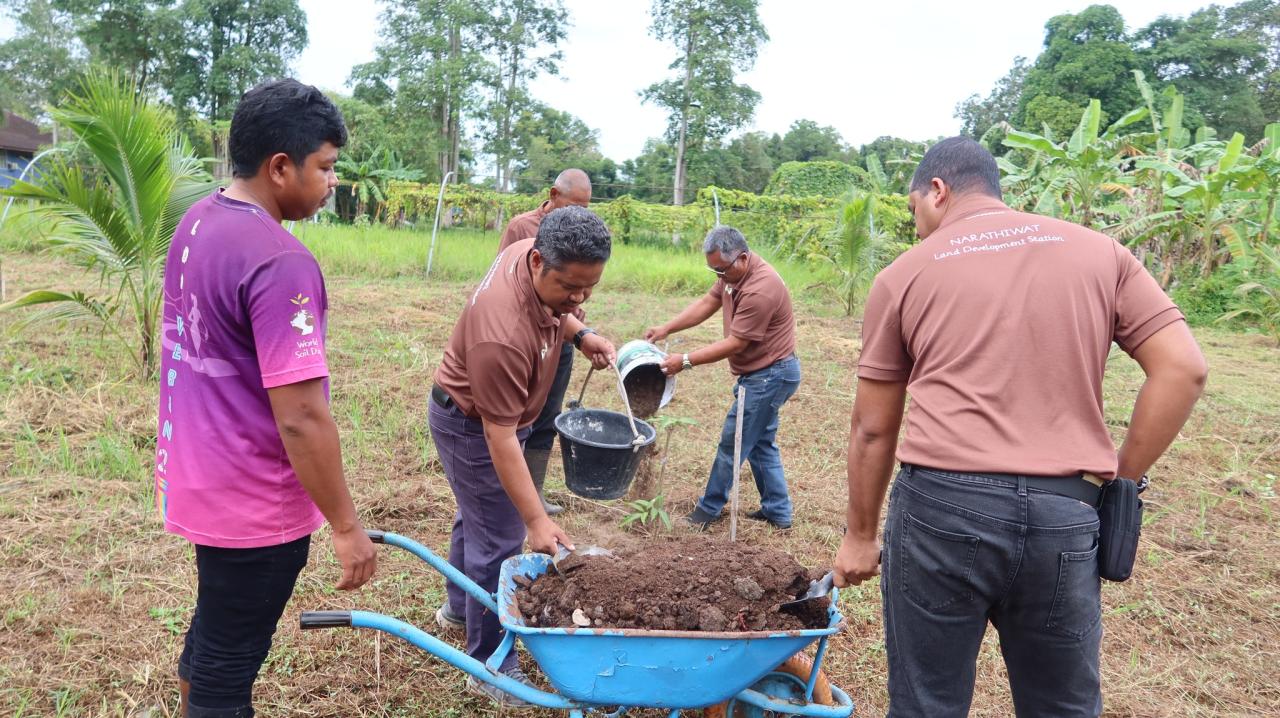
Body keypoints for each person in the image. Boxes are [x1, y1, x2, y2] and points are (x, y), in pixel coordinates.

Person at [833, 137, 1208, 716]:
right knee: (1062, 705)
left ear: (938, 190)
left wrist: (860, 536)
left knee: (926, 703)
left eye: (914, 212)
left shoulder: (903, 275)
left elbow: (873, 428)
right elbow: (1183, 370)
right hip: (1066, 513)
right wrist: (1122, 482)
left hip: (940, 512)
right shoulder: (1101, 253)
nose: (915, 229)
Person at [155, 79, 377, 718]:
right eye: (326, 167)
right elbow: (303, 416)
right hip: (253, 501)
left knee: (215, 630)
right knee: (230, 663)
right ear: (281, 167)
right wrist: (346, 525)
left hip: (200, 477)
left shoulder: (200, 219)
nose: (332, 181)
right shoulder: (281, 261)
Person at [430, 206, 617, 706]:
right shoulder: (502, 334)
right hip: (473, 426)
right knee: (499, 540)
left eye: (588, 288)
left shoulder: (528, 252)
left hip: (489, 416)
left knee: (477, 520)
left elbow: (562, 309)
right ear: (538, 262)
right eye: (570, 288)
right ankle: (491, 666)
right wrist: (535, 518)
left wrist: (580, 332)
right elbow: (501, 436)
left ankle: (456, 610)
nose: (579, 298)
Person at [644, 226, 800, 530]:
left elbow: (735, 344)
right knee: (760, 443)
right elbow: (707, 303)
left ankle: (709, 509)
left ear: (742, 258)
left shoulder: (760, 288)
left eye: (722, 270)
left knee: (734, 442)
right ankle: (778, 511)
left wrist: (684, 361)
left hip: (769, 376)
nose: (718, 276)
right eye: (713, 269)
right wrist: (667, 328)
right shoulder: (731, 275)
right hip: (763, 373)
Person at [497, 168, 593, 516]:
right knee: (514, 417)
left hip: (560, 337)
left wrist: (574, 318)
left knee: (547, 414)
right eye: (574, 205)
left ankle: (533, 492)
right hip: (525, 341)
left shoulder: (582, 231)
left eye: (586, 208)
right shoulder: (522, 229)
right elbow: (505, 284)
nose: (580, 214)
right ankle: (510, 492)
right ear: (553, 194)